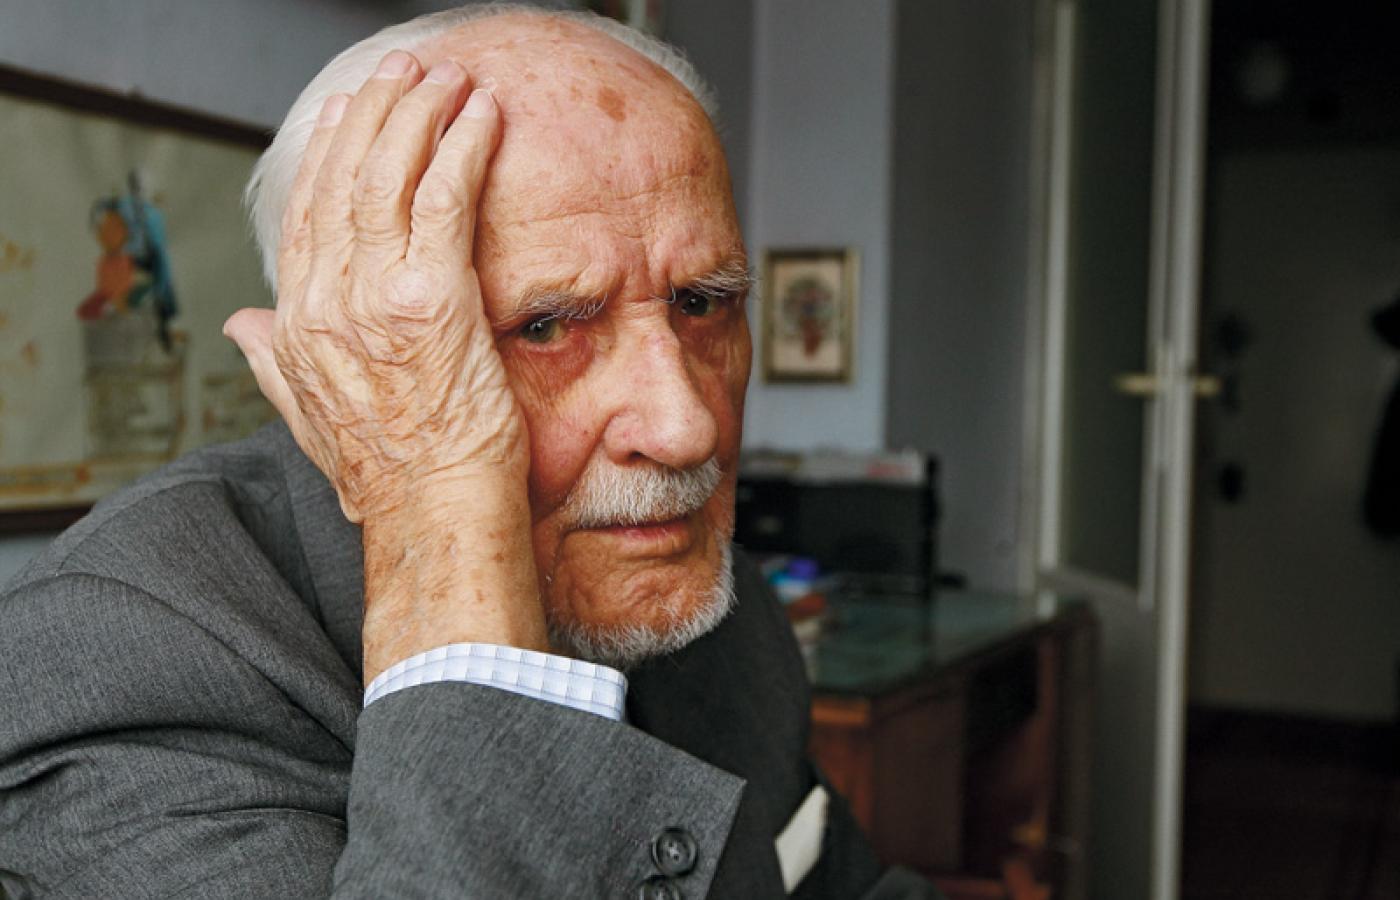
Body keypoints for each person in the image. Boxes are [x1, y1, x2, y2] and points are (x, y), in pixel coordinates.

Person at [0, 5, 940, 898]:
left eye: (702, 303)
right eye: (547, 327)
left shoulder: (715, 613)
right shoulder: (116, 660)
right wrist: (445, 513)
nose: (686, 426)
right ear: (343, 356)